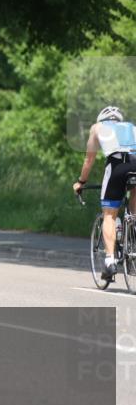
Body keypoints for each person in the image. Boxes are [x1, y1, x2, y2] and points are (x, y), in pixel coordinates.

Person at [73, 106, 136, 281]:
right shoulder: (131, 127)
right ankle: (132, 233)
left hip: (118, 166)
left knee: (109, 214)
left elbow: (89, 159)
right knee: (133, 210)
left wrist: (81, 182)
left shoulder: (97, 127)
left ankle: (110, 261)